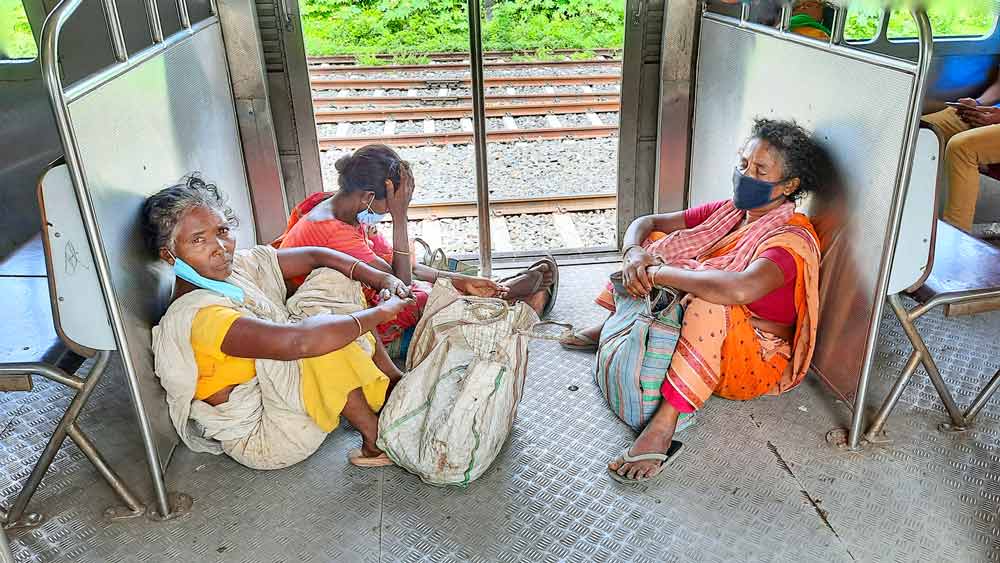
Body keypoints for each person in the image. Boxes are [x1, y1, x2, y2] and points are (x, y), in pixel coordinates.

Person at [560, 118, 822, 483]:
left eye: (760, 170)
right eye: (743, 163)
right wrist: (636, 253)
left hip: (753, 360)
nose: (745, 174)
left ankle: (663, 427)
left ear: (789, 185)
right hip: (710, 337)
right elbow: (647, 222)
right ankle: (614, 326)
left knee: (710, 299)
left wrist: (660, 274)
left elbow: (737, 290)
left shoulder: (789, 241)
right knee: (656, 243)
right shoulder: (732, 213)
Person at [145, 175, 415, 470]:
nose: (220, 247)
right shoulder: (199, 314)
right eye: (198, 240)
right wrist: (381, 312)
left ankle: (390, 382)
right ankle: (374, 439)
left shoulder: (230, 271)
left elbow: (317, 256)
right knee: (318, 337)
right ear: (168, 256)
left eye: (222, 230)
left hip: (278, 393)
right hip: (268, 434)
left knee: (334, 281)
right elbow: (299, 342)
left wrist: (382, 278)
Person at [275, 144, 558, 355]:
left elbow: (398, 265)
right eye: (393, 203)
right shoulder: (333, 230)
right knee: (418, 297)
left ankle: (496, 293)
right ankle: (508, 303)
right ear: (369, 197)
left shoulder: (340, 204)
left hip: (363, 287)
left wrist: (463, 281)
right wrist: (401, 219)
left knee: (436, 276)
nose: (391, 212)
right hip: (331, 317)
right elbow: (401, 283)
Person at [922, 72, 1000, 232]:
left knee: (962, 148)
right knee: (919, 132)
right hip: (988, 113)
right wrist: (977, 104)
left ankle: (957, 239)